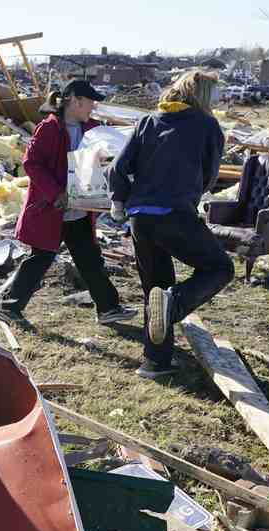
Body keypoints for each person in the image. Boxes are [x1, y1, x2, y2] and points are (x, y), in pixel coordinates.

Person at [107, 70, 234, 378]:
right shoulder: (207, 125)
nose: (219, 98)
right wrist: (193, 191)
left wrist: (118, 201)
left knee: (155, 288)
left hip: (140, 218)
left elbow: (117, 168)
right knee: (220, 268)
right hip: (174, 214)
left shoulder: (147, 122)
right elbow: (209, 175)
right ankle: (174, 304)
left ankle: (155, 362)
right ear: (203, 94)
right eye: (215, 92)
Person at [0, 80, 137, 327]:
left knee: (90, 259)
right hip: (52, 209)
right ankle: (9, 307)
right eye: (90, 101)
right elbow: (32, 164)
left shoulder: (92, 128)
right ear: (75, 101)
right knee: (41, 259)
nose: (93, 106)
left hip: (79, 209)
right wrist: (56, 194)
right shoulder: (49, 128)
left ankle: (108, 309)